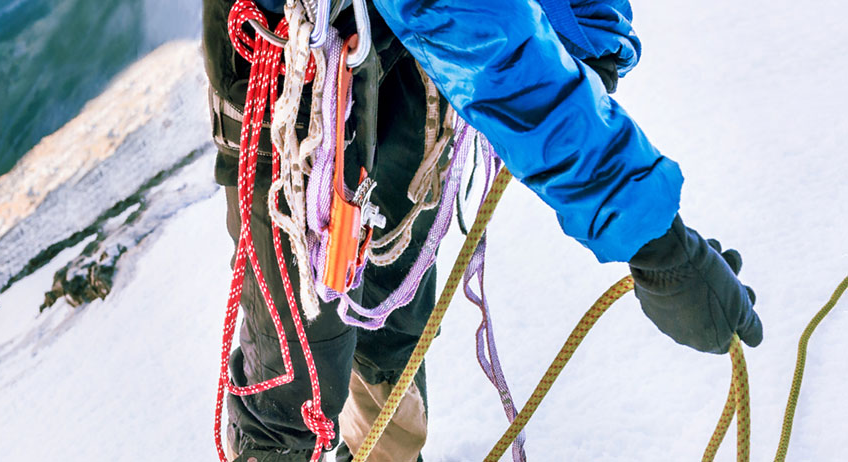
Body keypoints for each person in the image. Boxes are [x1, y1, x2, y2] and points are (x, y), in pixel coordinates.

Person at [201, 0, 765, 461]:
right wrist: (657, 245)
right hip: (295, 61)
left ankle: (385, 452)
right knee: (297, 362)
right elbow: (471, 28)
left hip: (404, 45)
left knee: (393, 304)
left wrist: (584, 37)